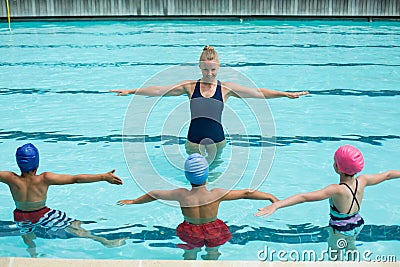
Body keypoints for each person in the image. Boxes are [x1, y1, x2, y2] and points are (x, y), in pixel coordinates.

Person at [110, 45, 308, 165]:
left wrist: (285, 94)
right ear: (199, 67)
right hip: (193, 141)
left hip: (218, 141)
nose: (209, 74)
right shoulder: (189, 87)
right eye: (205, 69)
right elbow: (159, 90)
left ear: (218, 67)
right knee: (194, 179)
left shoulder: (226, 89)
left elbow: (257, 93)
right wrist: (132, 91)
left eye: (213, 69)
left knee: (212, 177)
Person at [117, 153, 279, 260]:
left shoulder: (181, 195)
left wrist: (133, 201)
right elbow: (246, 193)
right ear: (207, 175)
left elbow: (154, 194)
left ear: (187, 176)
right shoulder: (216, 194)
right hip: (214, 228)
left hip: (190, 230)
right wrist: (270, 197)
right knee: (213, 253)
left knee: (189, 253)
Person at [255, 145, 400, 261]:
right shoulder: (363, 181)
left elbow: (304, 197)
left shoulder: (336, 190)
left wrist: (277, 204)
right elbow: (387, 175)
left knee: (334, 256)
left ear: (337, 168)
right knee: (351, 246)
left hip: (339, 231)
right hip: (357, 224)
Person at [0, 143, 126, 257]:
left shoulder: (9, 177)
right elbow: (75, 179)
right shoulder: (44, 178)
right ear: (37, 164)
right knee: (74, 226)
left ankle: (33, 255)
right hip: (41, 215)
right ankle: (103, 241)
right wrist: (103, 177)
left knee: (27, 236)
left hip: (20, 216)